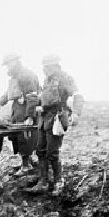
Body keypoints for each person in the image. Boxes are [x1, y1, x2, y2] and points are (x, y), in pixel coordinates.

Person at [31, 54, 77, 194]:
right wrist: (39, 103)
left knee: (52, 152)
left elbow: (77, 96)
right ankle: (43, 181)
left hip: (56, 119)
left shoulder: (65, 78)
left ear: (56, 65)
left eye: (48, 66)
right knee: (40, 150)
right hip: (44, 120)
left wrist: (75, 113)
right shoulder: (47, 80)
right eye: (45, 66)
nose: (45, 69)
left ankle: (58, 181)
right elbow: (46, 98)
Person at [0, 53, 41, 173]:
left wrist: (30, 116)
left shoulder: (26, 75)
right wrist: (0, 101)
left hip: (26, 109)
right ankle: (26, 161)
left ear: (16, 62)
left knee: (25, 136)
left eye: (9, 64)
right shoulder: (15, 77)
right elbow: (10, 92)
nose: (8, 67)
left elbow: (32, 96)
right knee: (17, 136)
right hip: (17, 109)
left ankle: (26, 166)